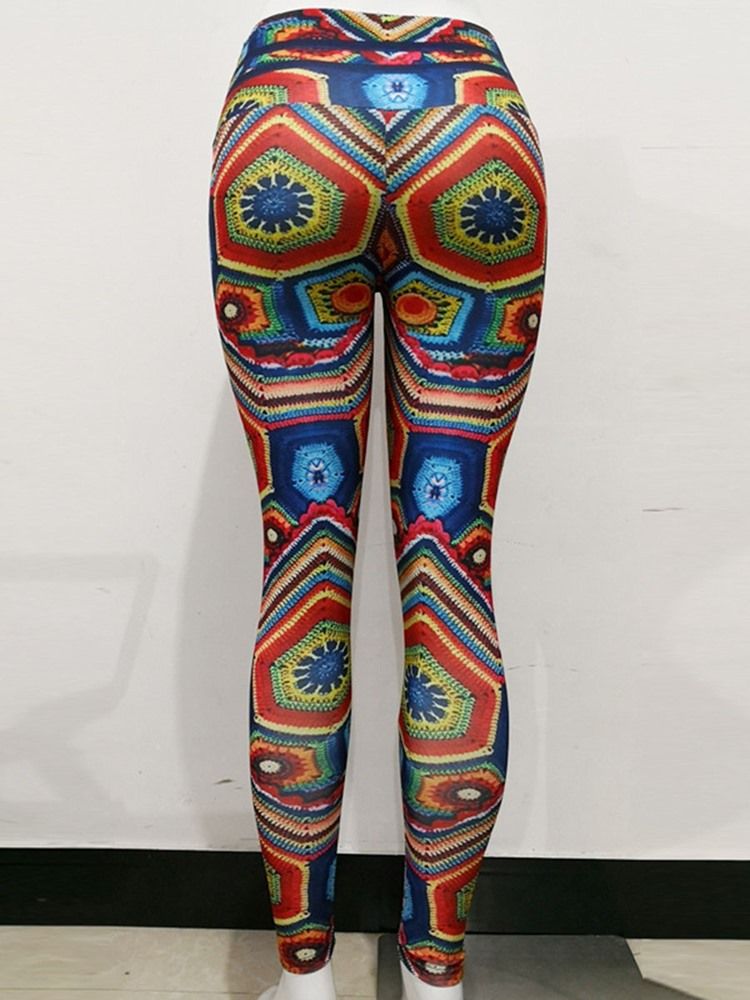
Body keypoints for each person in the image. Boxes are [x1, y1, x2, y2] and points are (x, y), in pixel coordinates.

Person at [208, 7, 548, 999]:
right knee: (452, 574)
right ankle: (435, 976)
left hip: (290, 121)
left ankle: (305, 979)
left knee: (302, 569)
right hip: (473, 127)